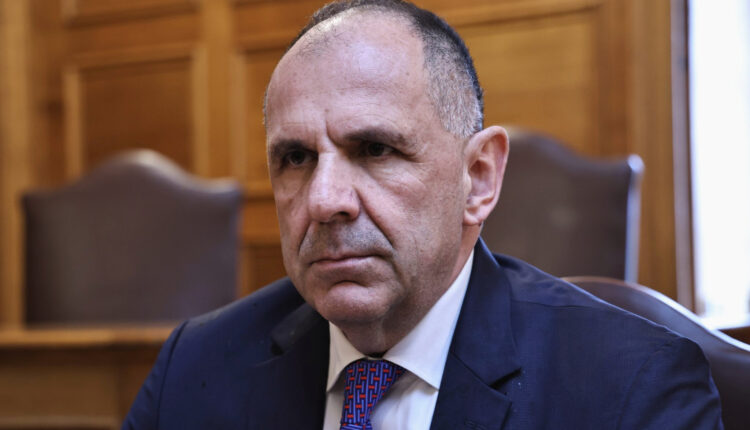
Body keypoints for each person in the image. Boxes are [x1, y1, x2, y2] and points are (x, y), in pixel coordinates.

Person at [123, 1, 723, 429]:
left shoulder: (631, 388)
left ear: (478, 178)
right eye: (296, 158)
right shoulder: (196, 368)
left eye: (374, 149)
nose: (324, 200)